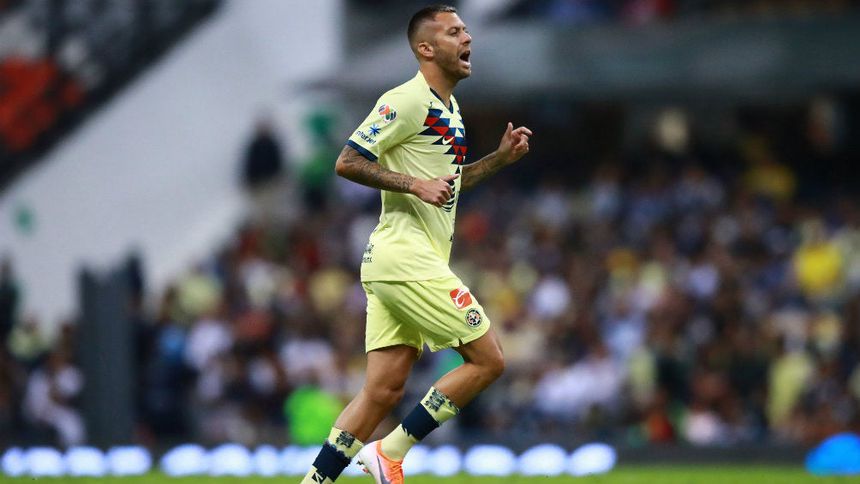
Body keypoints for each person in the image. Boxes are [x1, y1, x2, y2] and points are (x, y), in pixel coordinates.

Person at [300, 5, 532, 484]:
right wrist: (413, 184)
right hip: (405, 257)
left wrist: (497, 160)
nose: (467, 38)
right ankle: (390, 452)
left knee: (381, 393)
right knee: (488, 359)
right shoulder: (405, 100)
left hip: (397, 261)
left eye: (466, 30)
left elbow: (448, 185)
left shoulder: (449, 109)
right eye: (454, 32)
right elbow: (347, 161)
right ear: (426, 48)